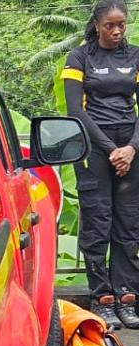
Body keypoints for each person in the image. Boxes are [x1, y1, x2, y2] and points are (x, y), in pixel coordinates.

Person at [64, 0, 139, 328]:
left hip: (131, 148)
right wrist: (111, 149)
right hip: (95, 148)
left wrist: (132, 148)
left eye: (121, 24)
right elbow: (75, 110)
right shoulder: (79, 57)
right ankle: (102, 297)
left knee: (129, 223)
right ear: (96, 24)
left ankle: (126, 296)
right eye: (110, 24)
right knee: (98, 222)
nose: (117, 30)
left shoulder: (135, 55)